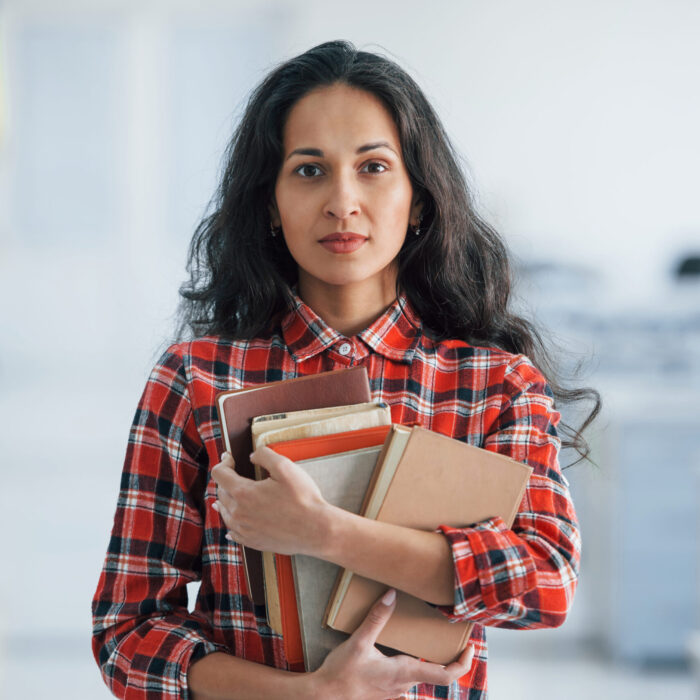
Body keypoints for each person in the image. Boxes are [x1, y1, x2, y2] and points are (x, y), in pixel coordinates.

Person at [92, 40, 599, 699]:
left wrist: (325, 533)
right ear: (269, 204)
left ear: (419, 198)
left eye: (373, 167)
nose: (342, 201)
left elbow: (548, 584)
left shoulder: (495, 385)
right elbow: (127, 633)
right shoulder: (194, 379)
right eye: (309, 171)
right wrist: (309, 695)